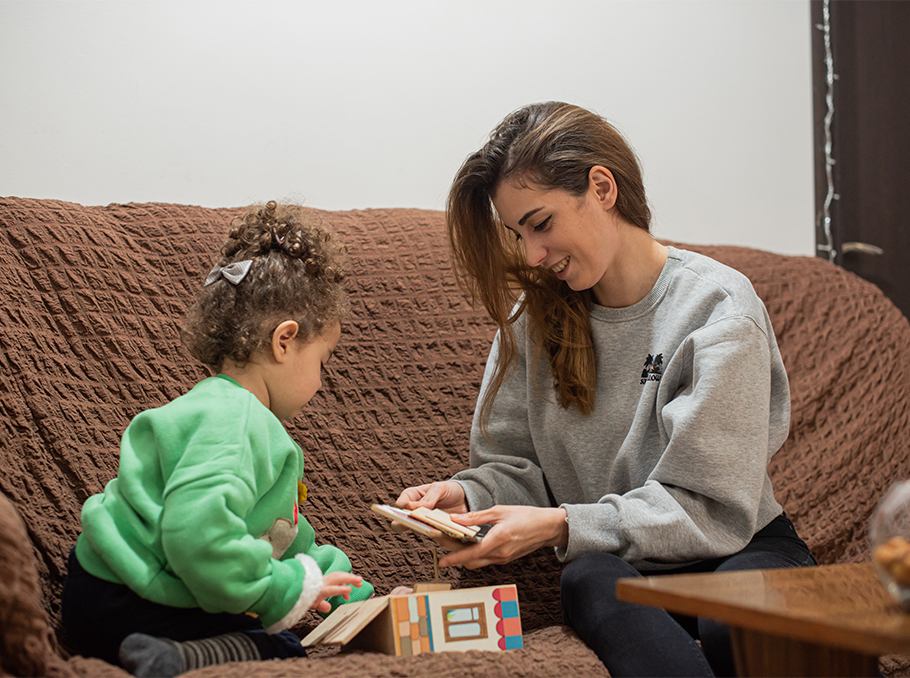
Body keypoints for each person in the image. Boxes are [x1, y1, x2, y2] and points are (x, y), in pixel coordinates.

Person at [396, 102, 816, 677]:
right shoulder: (531, 320)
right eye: (518, 234)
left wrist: (566, 525)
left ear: (602, 187)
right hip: (625, 563)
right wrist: (465, 499)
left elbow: (711, 509)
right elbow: (518, 467)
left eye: (541, 224)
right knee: (588, 577)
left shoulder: (717, 310)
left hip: (740, 549)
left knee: (731, 620)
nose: (532, 256)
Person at [62, 201, 389, 678]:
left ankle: (165, 652)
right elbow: (199, 537)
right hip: (133, 598)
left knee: (266, 609)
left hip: (104, 590)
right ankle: (171, 660)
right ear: (284, 341)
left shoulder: (222, 410)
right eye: (324, 361)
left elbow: (277, 538)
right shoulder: (235, 423)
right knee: (283, 649)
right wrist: (288, 587)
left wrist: (351, 591)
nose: (323, 382)